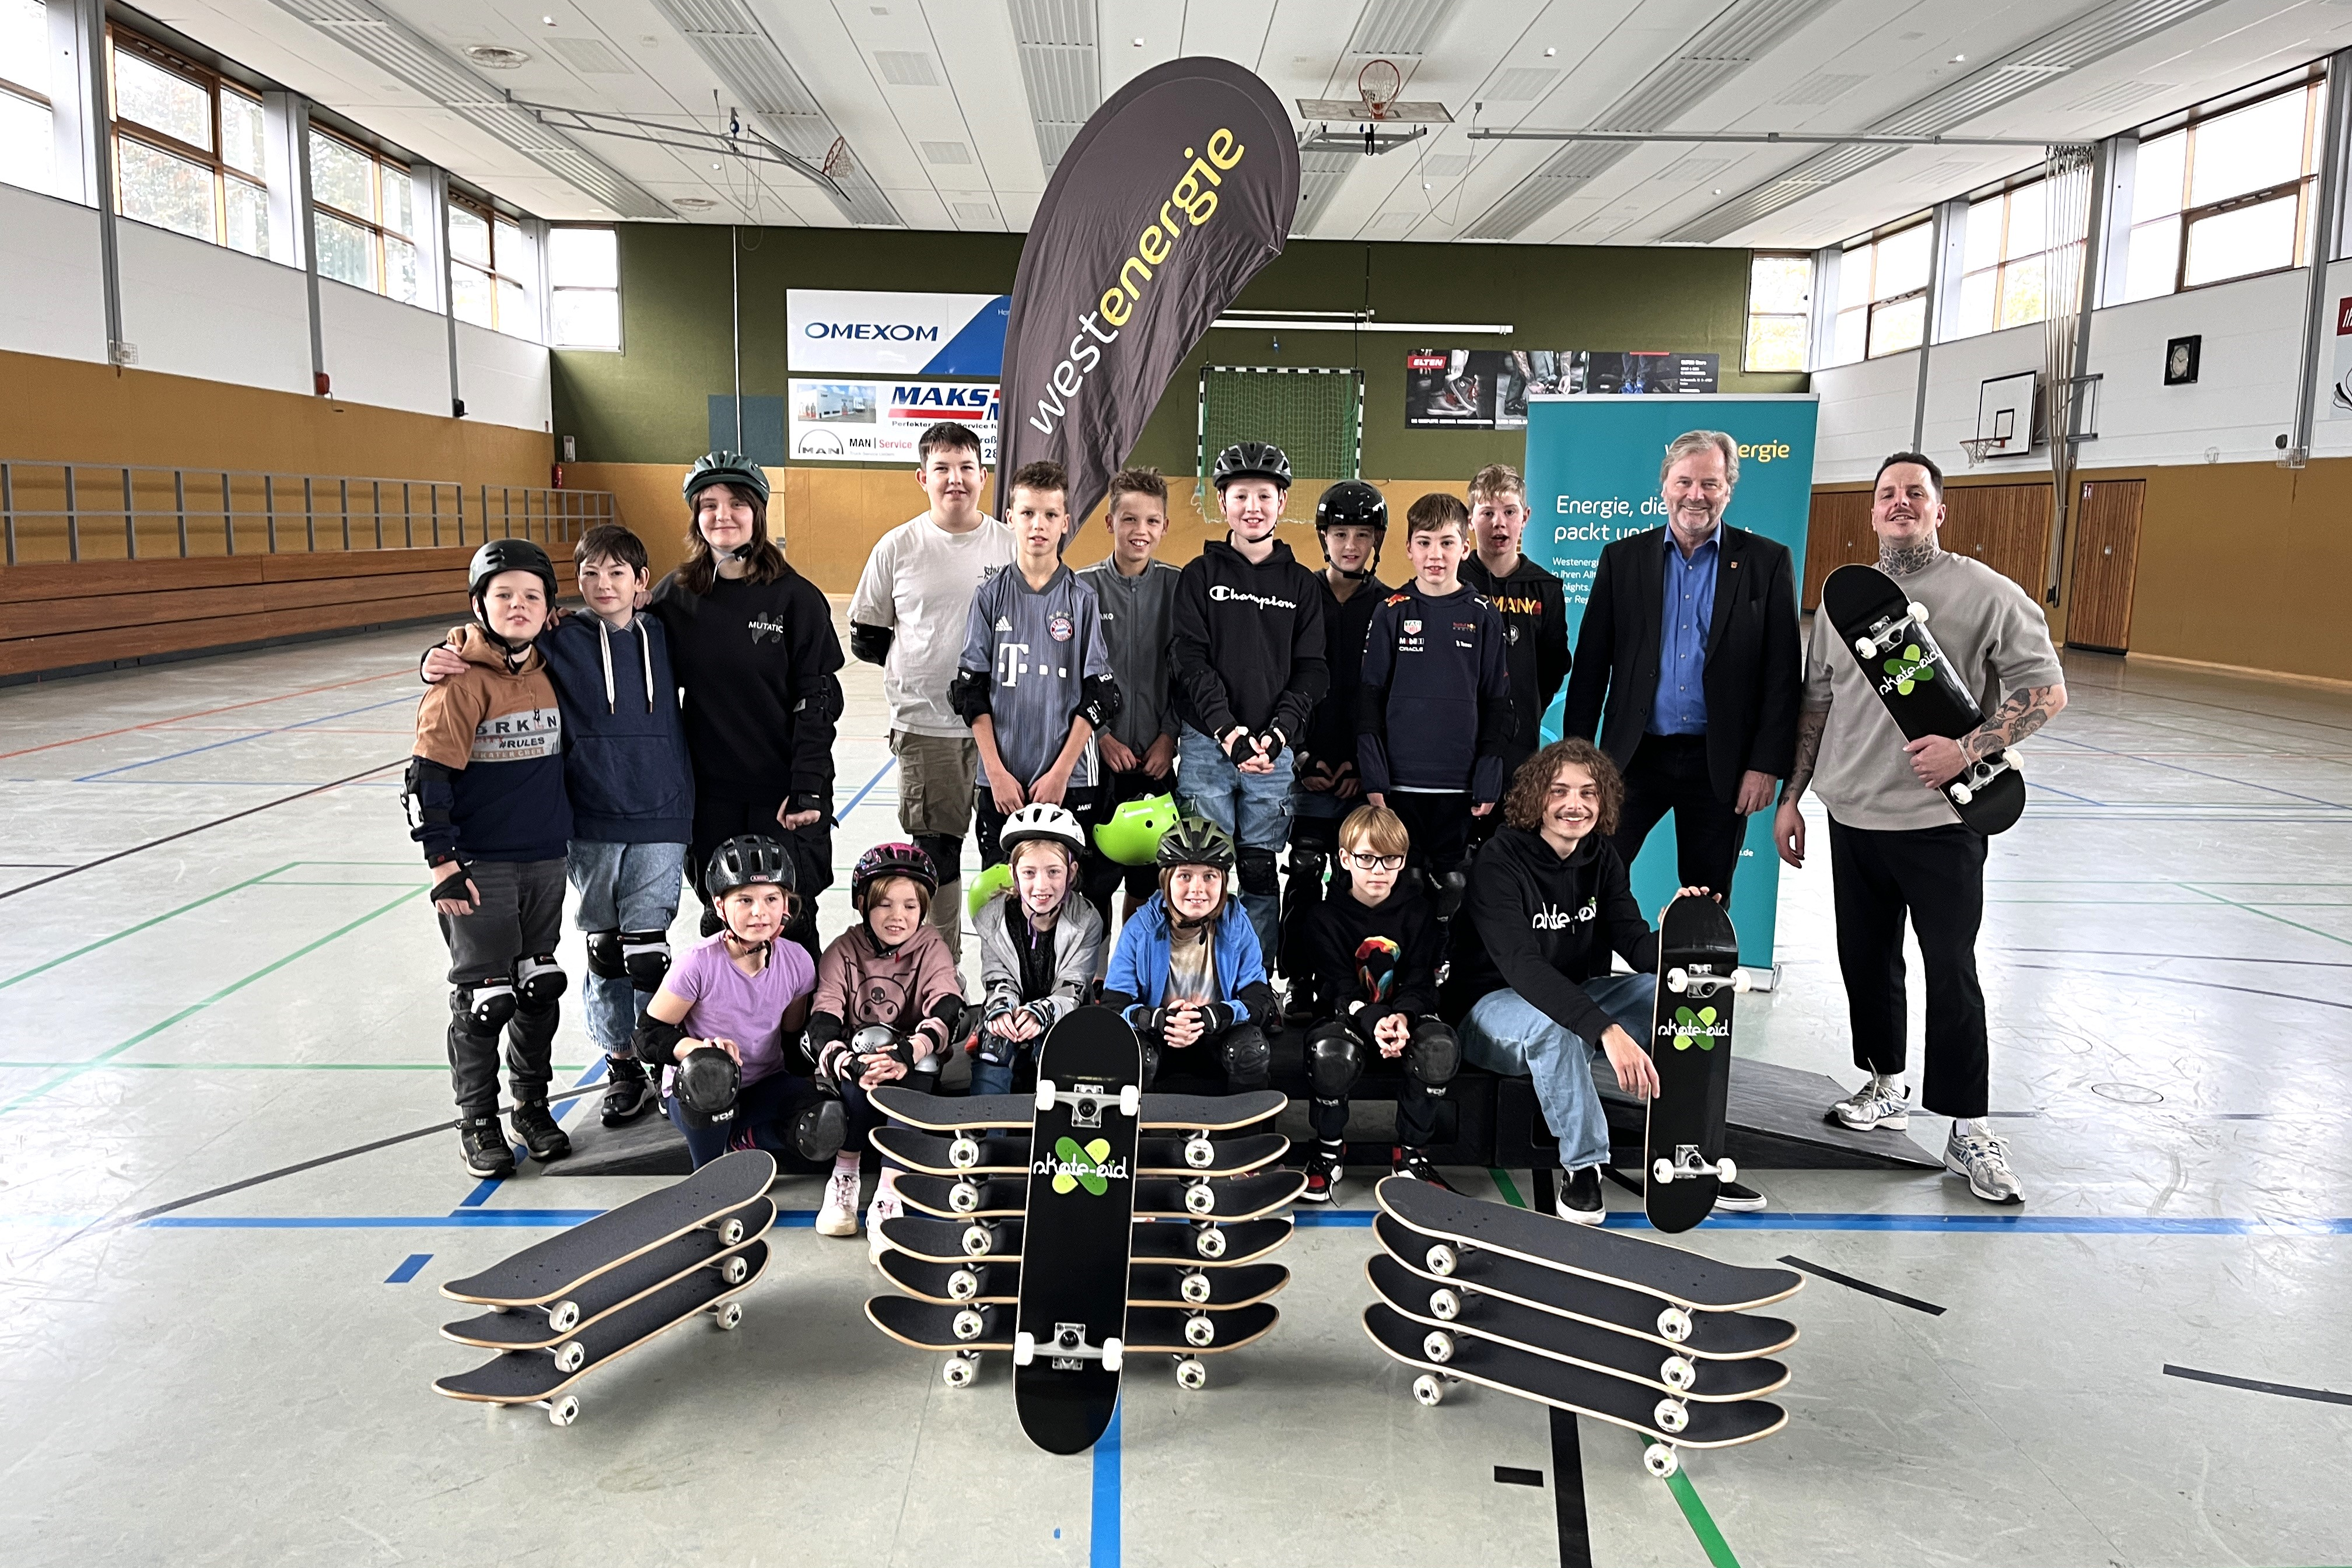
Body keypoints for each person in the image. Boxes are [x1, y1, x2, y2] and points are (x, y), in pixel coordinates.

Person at [1774, 452, 2067, 1206]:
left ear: (1940, 510)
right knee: (1866, 961)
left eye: (1916, 494)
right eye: (1887, 495)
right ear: (1871, 513)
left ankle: (1969, 1128)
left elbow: (2047, 690)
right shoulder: (1843, 603)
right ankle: (1884, 1084)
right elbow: (1817, 705)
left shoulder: (1987, 594)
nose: (1900, 503)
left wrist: (1968, 748)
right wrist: (1793, 797)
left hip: (1942, 824)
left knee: (1953, 973)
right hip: (1854, 816)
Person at [422, 523, 694, 1129]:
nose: (603, 585)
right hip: (590, 816)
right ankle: (620, 1060)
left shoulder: (669, 632)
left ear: (642, 582)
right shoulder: (559, 635)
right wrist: (442, 653)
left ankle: (661, 1058)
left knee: (649, 952)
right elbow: (491, 646)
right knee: (605, 949)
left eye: (617, 573)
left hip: (663, 811)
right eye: (590, 574)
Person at [1443, 740, 1731, 1224]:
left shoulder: (1601, 856)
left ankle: (1691, 1147)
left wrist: (1677, 929)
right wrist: (1605, 1029)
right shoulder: (1499, 861)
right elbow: (1523, 967)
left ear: (1605, 802)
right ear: (1536, 798)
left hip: (1573, 995)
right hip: (1492, 1007)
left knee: (1670, 995)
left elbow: (1636, 946)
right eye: (1560, 791)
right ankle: (1584, 1167)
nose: (1574, 805)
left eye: (1588, 793)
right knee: (1558, 1030)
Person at [1560, 430, 1800, 898]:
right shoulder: (1622, 560)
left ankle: (1696, 973)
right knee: (1590, 878)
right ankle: (1585, 974)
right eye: (1684, 482)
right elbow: (1590, 667)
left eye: (1710, 483)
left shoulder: (1767, 563)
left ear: (1728, 489)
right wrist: (1577, 757)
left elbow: (1782, 676)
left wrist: (1764, 766)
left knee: (1706, 898)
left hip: (1721, 762)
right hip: (1632, 756)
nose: (1696, 495)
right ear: (1664, 487)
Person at [404, 539, 575, 1178]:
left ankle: (532, 1105)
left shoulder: (550, 665)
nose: (518, 606)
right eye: (503, 595)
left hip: (545, 857)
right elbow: (426, 779)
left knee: (537, 987)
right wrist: (442, 862)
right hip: (480, 864)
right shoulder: (458, 683)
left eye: (532, 596)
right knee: (485, 997)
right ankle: (477, 1119)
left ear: (549, 608)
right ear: (480, 604)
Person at [653, 453, 842, 961]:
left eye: (737, 504)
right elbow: (618, 639)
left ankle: (804, 1036)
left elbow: (818, 700)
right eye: (709, 505)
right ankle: (726, 1030)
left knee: (790, 918)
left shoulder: (794, 598)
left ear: (758, 514)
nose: (723, 515)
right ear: (696, 516)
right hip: (712, 794)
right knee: (725, 922)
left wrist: (807, 789)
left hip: (782, 793)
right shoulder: (675, 596)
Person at [850, 422, 1015, 960]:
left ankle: (1006, 976)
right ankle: (940, 971)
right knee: (937, 856)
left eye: (967, 468)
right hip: (927, 730)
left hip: (1007, 730)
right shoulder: (898, 547)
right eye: (942, 469)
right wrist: (924, 670)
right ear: (923, 477)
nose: (955, 480)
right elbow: (869, 637)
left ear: (983, 477)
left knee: (1006, 857)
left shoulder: (1011, 545)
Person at [1170, 442, 1328, 965]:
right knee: (1202, 872)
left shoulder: (1301, 585)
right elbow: (1190, 662)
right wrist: (1229, 733)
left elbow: (1312, 669)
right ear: (1222, 502)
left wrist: (1277, 735)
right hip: (1208, 747)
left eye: (1265, 495)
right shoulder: (1199, 576)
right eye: (1241, 496)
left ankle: (1255, 986)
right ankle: (1196, 979)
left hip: (1270, 751)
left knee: (1259, 871)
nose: (1253, 507)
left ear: (1283, 503)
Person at [628, 835, 845, 1171]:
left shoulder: (798, 961)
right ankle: (711, 1177)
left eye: (772, 899)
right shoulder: (698, 963)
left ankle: (743, 1141)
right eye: (745, 900)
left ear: (785, 905)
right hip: (701, 1091)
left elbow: (791, 1037)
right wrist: (697, 1049)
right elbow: (648, 1035)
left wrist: (807, 1099)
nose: (760, 912)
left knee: (825, 1123)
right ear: (720, 907)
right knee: (712, 1070)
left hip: (763, 1086)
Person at [950, 459, 1119, 869]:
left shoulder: (1082, 599)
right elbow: (970, 691)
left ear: (1066, 521)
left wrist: (1061, 773)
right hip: (1003, 781)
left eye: (1049, 515)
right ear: (1010, 518)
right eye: (1027, 513)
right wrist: (997, 773)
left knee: (1067, 896)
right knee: (1004, 892)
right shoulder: (990, 596)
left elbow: (1100, 694)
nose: (1037, 525)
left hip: (1070, 780)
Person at [806, 843, 968, 1246]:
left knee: (914, 1056)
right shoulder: (843, 951)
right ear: (863, 904)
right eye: (885, 905)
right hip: (857, 1071)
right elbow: (823, 1020)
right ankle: (846, 1171)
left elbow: (947, 1005)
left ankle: (890, 1189)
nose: (898, 917)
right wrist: (853, 1062)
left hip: (910, 1067)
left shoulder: (930, 946)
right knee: (867, 1042)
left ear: (923, 909)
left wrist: (906, 1054)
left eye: (910, 906)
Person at [1358, 492, 1512, 907]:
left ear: (1465, 546)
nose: (1435, 554)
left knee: (1453, 885)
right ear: (1408, 548)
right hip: (1398, 784)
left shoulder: (1483, 613)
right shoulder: (1391, 610)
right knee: (1401, 883)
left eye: (1447, 542)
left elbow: (1497, 702)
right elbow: (1370, 700)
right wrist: (1374, 777)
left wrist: (1488, 774)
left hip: (1457, 786)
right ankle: (1404, 970)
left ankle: (1446, 968)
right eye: (1424, 542)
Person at [1300, 804, 1460, 1202]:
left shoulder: (1419, 911)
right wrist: (1373, 1020)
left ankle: (1410, 1155)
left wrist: (1402, 1018)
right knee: (1329, 1053)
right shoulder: (1323, 916)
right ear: (1345, 858)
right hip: (1347, 1017)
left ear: (1403, 861)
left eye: (1390, 859)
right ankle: (1328, 1151)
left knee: (1439, 1047)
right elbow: (1339, 988)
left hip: (1405, 1017)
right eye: (1366, 858)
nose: (1378, 870)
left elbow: (1421, 981)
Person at [1279, 479, 1391, 1023]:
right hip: (1305, 767)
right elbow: (1283, 678)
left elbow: (1388, 696)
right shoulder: (1300, 595)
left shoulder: (1391, 605)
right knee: (1303, 870)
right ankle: (1299, 981)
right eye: (1341, 534)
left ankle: (1350, 986)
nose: (1351, 545)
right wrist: (1299, 757)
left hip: (1362, 775)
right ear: (1324, 538)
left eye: (1362, 535)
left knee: (1357, 884)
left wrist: (1365, 768)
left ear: (1377, 541)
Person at [1074, 467, 1184, 930]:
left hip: (1156, 760)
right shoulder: (1080, 588)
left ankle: (1130, 978)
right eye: (1129, 519)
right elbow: (1070, 676)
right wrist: (1100, 736)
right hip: (1100, 764)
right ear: (1109, 522)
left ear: (1164, 526)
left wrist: (1169, 737)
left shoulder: (1179, 588)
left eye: (1152, 521)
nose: (1141, 532)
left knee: (1148, 883)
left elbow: (1188, 674)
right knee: (1095, 882)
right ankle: (1093, 982)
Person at [1100, 817, 1275, 1094]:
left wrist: (1212, 1017)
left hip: (1216, 1038)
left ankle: (1244, 1136)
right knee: (1133, 1054)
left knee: (1251, 1049)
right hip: (1159, 1039)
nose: (1197, 889)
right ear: (1166, 881)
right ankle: (1140, 1135)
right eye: (1185, 876)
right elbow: (1112, 1006)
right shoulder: (1140, 928)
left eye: (1210, 876)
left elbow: (1261, 1002)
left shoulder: (1236, 924)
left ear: (1223, 881)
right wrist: (1160, 1020)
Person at [970, 804, 1105, 1096]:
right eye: (1029, 872)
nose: (1041, 886)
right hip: (1015, 1012)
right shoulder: (992, 918)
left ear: (1071, 872)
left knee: (1056, 1048)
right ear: (1013, 873)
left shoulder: (1087, 920)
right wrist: (1003, 1012)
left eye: (1053, 872)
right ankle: (984, 1133)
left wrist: (1042, 1012)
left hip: (1063, 1013)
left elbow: (1073, 989)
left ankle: (1057, 1134)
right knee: (996, 1044)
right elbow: (997, 980)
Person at [1458, 463, 1569, 801]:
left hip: (1520, 749)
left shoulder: (1545, 589)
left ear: (1526, 517)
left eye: (1509, 511)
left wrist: (1527, 706)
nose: (1499, 523)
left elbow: (1554, 665)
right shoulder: (1453, 582)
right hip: (1457, 742)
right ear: (1470, 519)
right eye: (1487, 513)